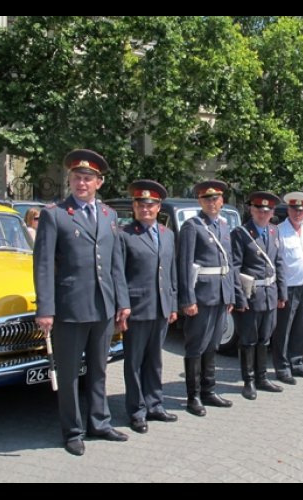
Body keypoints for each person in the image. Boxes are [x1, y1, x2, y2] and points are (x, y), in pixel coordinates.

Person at [34, 149, 131, 456]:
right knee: (69, 372)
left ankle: (99, 422)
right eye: (77, 177)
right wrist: (45, 308)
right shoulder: (55, 214)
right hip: (70, 308)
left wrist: (122, 302)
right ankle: (72, 430)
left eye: (88, 178)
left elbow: (116, 263)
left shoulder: (109, 215)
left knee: (100, 370)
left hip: (103, 307)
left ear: (99, 183)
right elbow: (44, 265)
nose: (81, 183)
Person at [119, 180, 178, 434]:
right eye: (140, 204)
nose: (145, 209)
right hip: (137, 307)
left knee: (155, 360)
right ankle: (136, 410)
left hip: (162, 307)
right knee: (134, 362)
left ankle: (155, 404)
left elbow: (172, 272)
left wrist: (173, 303)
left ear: (159, 207)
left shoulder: (167, 235)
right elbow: (117, 274)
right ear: (134, 207)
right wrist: (122, 306)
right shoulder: (125, 234)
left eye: (150, 205)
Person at [178, 180, 236, 417]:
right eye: (207, 199)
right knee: (196, 346)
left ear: (222, 201)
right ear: (200, 202)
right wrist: (187, 299)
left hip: (220, 294)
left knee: (212, 345)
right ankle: (192, 397)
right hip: (201, 296)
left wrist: (230, 293)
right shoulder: (192, 226)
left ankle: (208, 390)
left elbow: (229, 263)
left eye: (216, 199)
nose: (212, 203)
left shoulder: (223, 226)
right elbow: (184, 265)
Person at [231, 191, 287, 400]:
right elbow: (235, 267)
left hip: (270, 294)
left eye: (267, 210)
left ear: (272, 212)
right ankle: (249, 381)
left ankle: (262, 378)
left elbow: (279, 263)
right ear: (251, 210)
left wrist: (282, 292)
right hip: (251, 295)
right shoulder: (241, 233)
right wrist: (240, 298)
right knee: (248, 339)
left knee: (265, 338)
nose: (263, 214)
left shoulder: (274, 231)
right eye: (258, 209)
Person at [272, 192, 303, 384]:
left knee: (301, 328)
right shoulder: (279, 231)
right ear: (288, 210)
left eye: (301, 210)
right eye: (293, 209)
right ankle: (282, 368)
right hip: (288, 288)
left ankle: (297, 363)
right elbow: (275, 264)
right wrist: (280, 292)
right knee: (283, 330)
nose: (297, 213)